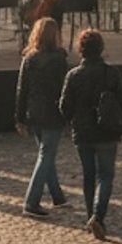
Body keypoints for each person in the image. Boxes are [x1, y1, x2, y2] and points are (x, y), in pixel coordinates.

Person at [59, 29, 122, 240]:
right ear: (101, 48)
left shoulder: (73, 75)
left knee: (89, 175)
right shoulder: (111, 73)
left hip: (83, 133)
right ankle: (98, 217)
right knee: (106, 175)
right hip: (107, 131)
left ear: (80, 49)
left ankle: (90, 215)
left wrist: (74, 119)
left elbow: (64, 106)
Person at [16, 16, 70, 215]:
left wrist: (19, 118)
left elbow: (22, 90)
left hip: (34, 113)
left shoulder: (29, 59)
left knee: (45, 155)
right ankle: (31, 201)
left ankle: (58, 197)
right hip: (53, 112)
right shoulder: (59, 59)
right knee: (46, 156)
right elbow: (65, 89)